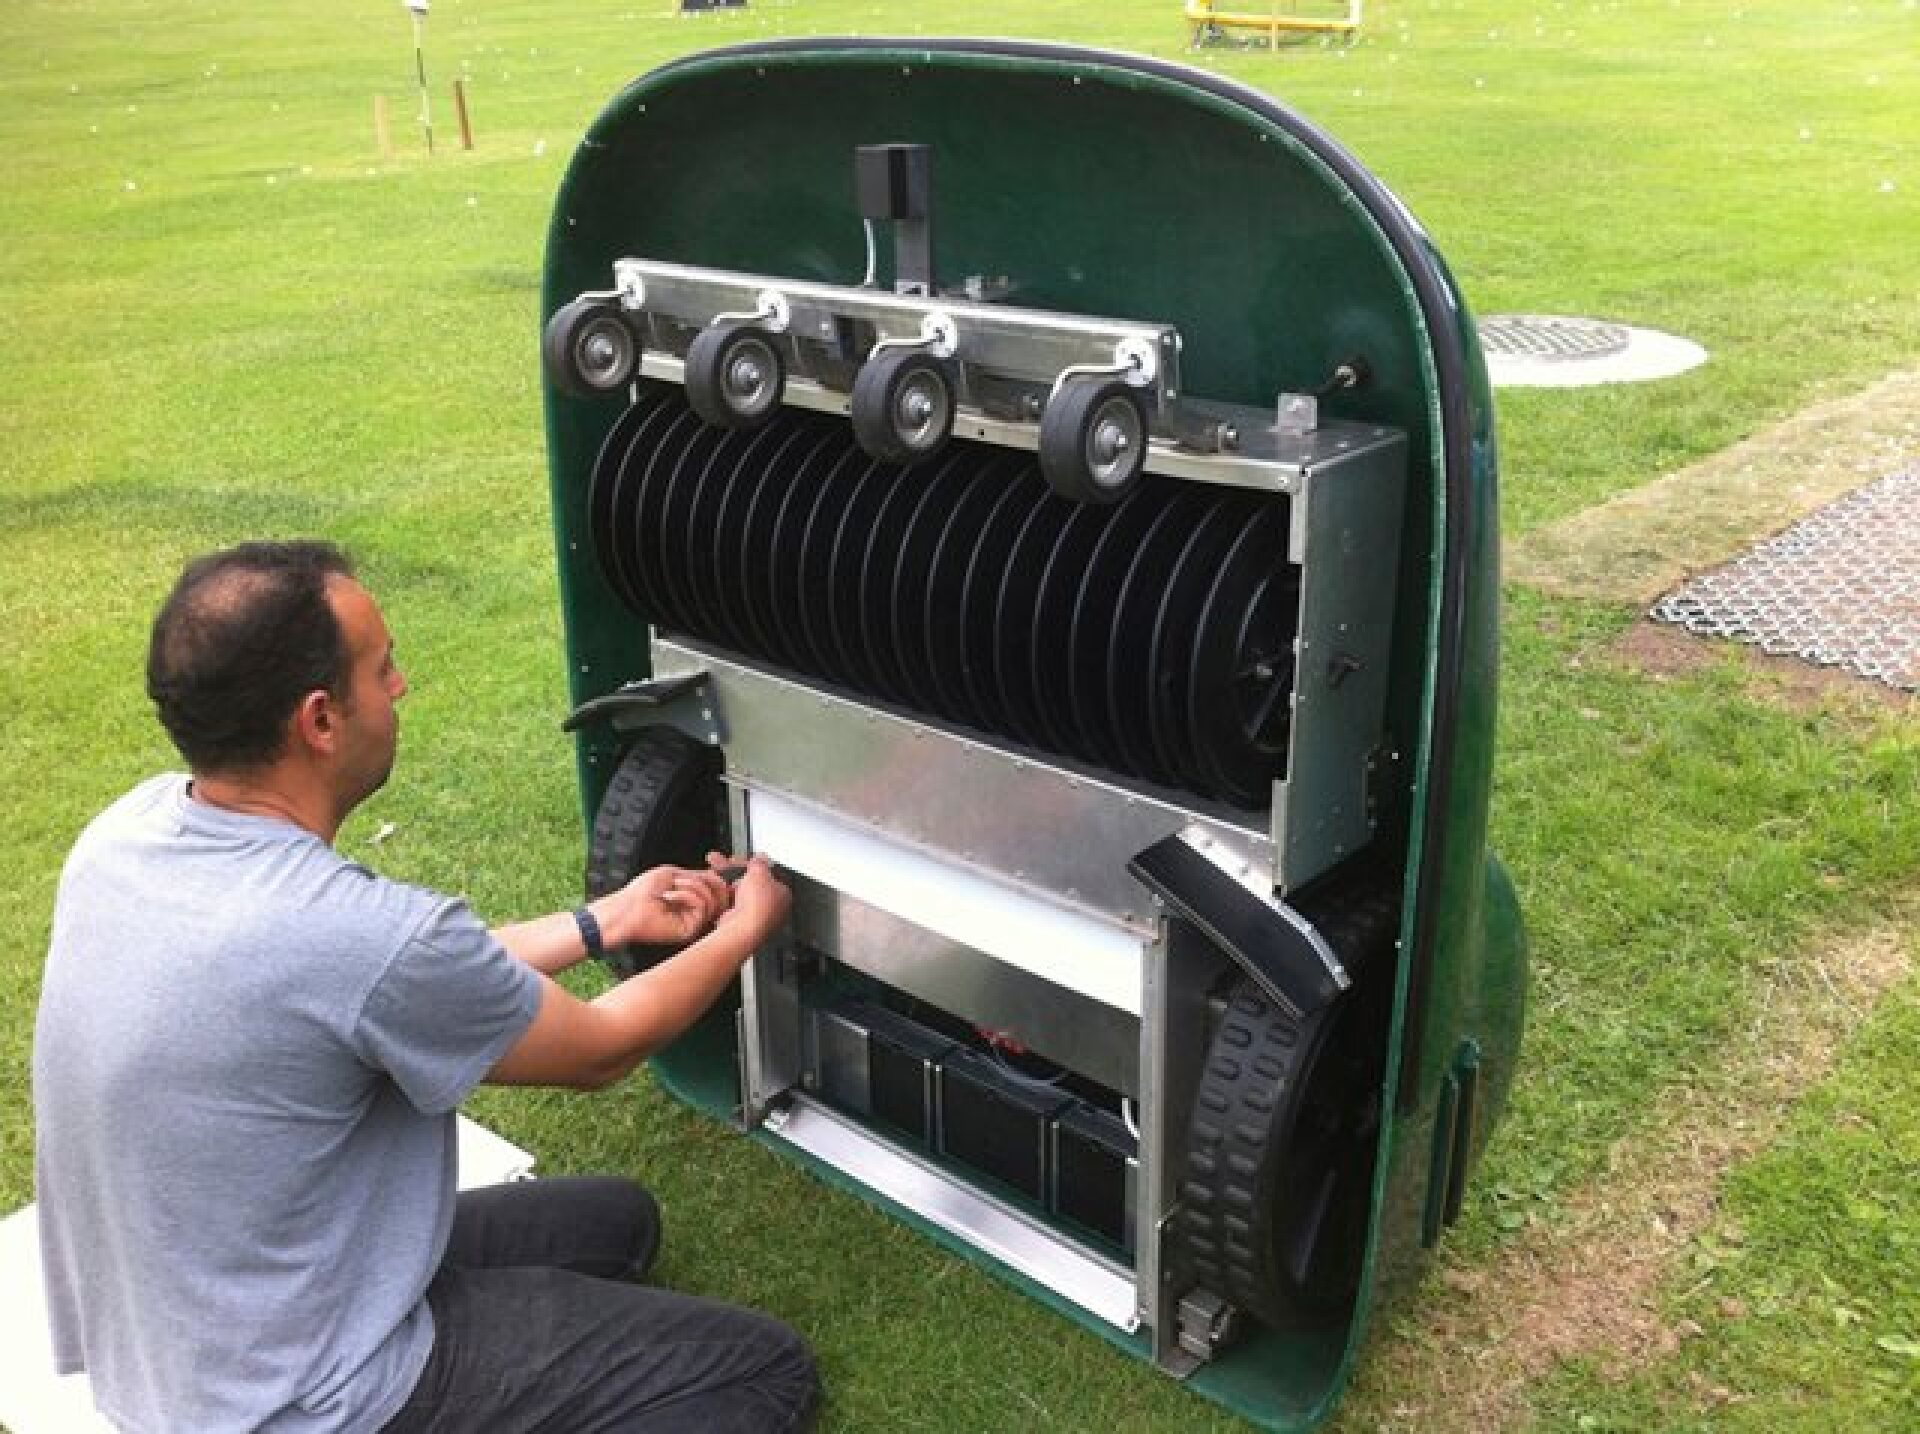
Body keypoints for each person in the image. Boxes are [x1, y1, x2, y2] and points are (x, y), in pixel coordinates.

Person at [32, 540, 820, 1433]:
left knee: (618, 1224)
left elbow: (385, 985)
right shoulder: (347, 932)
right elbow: (599, 1050)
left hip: (191, 1345)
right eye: (383, 668)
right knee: (764, 1373)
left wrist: (606, 920)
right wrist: (746, 930)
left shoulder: (124, 838)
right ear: (320, 720)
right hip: (305, 1399)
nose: (401, 688)